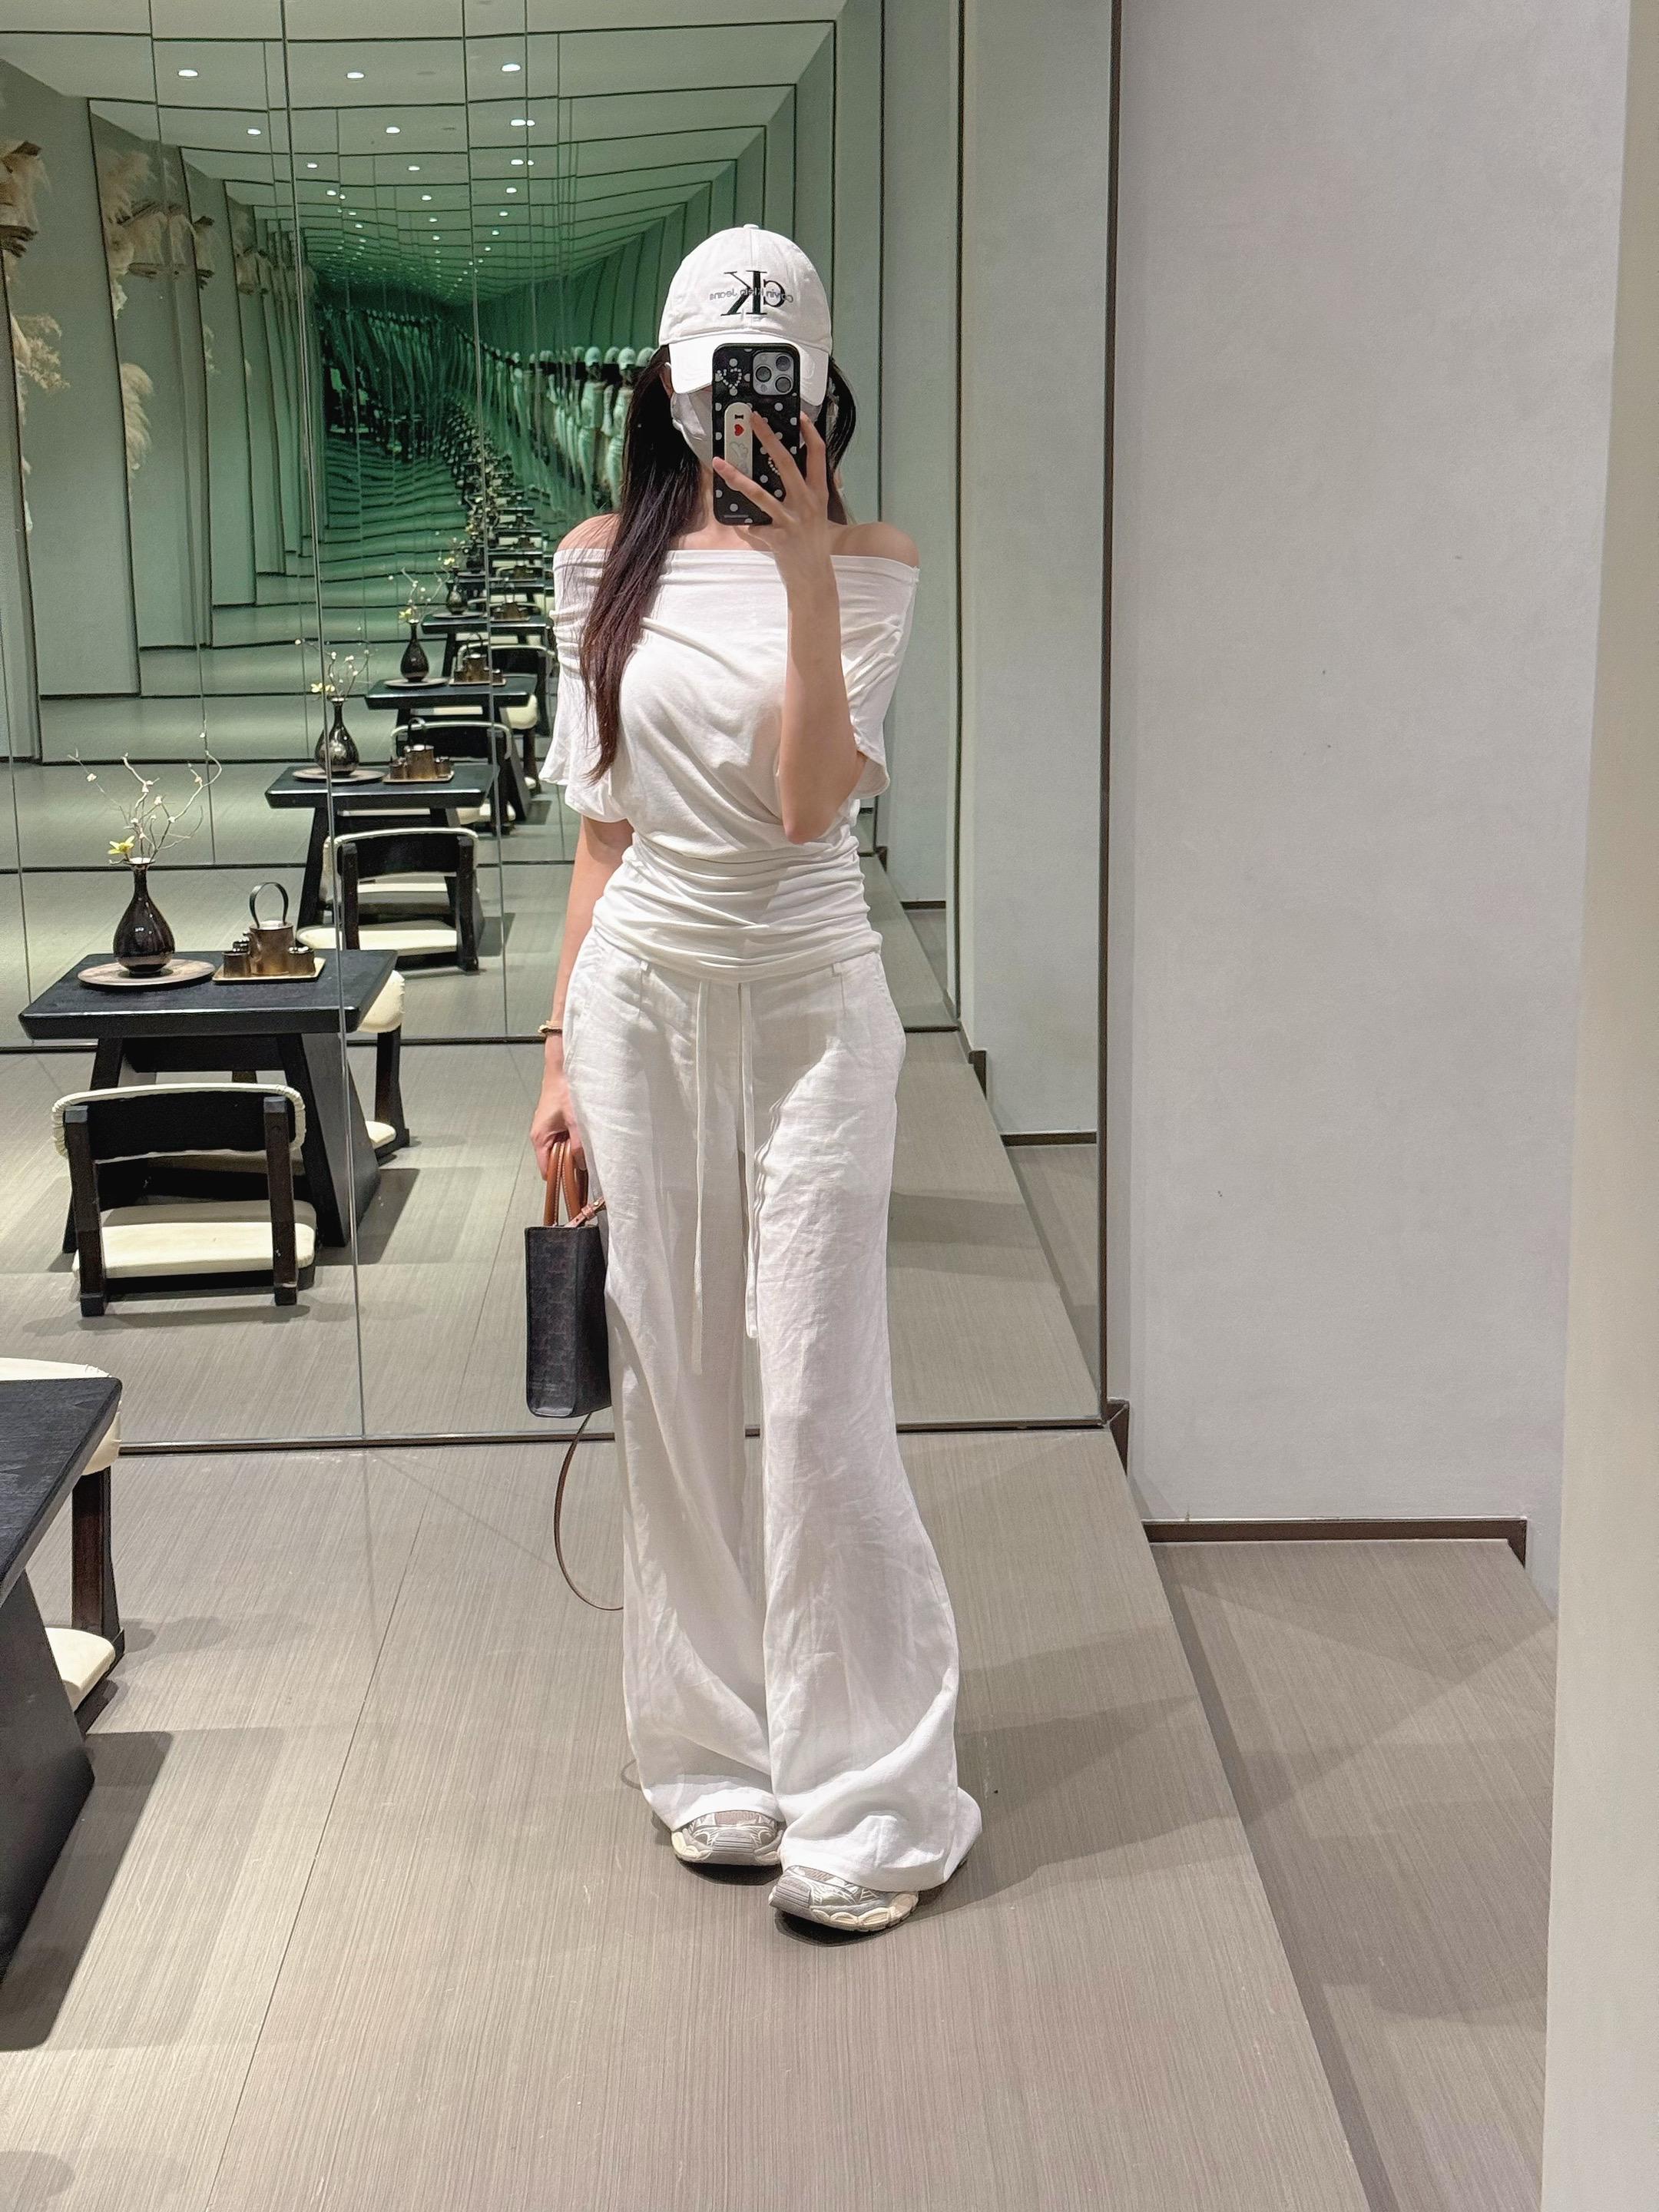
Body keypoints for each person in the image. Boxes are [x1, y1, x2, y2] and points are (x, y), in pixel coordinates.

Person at [530, 227, 982, 1936]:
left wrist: (799, 566)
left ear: (813, 375)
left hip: (809, 1001)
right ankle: (713, 1746)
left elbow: (807, 808)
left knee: (816, 1395)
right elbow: (601, 833)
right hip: (641, 997)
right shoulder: (599, 562)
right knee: (669, 1384)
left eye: (768, 365)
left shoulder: (871, 563)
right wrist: (558, 1057)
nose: (738, 396)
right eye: (713, 368)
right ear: (667, 381)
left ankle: (869, 1787)